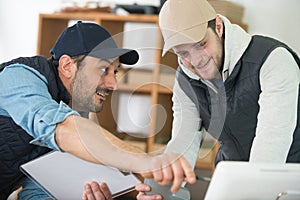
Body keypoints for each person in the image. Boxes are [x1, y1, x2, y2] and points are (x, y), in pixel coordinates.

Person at [0, 21, 196, 200]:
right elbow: (62, 129)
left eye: (115, 72)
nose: (113, 85)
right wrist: (145, 161)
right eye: (103, 69)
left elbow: (37, 191)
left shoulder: (77, 109)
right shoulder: (19, 79)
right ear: (68, 66)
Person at [135, 0, 300, 199]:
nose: (196, 61)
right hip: (232, 180)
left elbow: (271, 146)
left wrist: (252, 192)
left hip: (288, 182)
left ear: (219, 27)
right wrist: (162, 189)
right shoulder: (185, 79)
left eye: (201, 45)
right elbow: (182, 144)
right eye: (183, 53)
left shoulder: (273, 60)